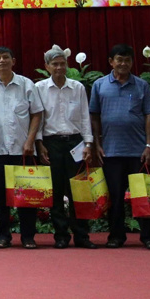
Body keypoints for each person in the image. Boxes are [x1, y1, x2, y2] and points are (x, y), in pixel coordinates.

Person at [89, 44, 150, 249]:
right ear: (111, 62)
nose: (123, 63)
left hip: (138, 152)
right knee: (115, 198)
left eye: (127, 60)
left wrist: (149, 146)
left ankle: (149, 237)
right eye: (119, 59)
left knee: (142, 197)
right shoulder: (100, 85)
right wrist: (97, 144)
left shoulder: (141, 85)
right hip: (110, 151)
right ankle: (116, 236)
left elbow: (148, 115)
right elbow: (94, 116)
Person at [0, 46, 45, 249]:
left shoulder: (26, 84)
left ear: (13, 61)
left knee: (27, 195)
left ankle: (28, 237)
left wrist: (30, 141)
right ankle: (2, 236)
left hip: (23, 149)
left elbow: (37, 114)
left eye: (5, 57)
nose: (2, 61)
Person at [35, 46, 96, 249]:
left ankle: (82, 235)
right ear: (47, 66)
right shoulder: (40, 88)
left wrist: (88, 143)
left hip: (75, 142)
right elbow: (38, 118)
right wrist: (39, 144)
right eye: (55, 64)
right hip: (51, 143)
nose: (59, 67)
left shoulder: (77, 87)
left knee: (78, 190)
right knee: (56, 191)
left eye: (62, 64)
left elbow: (85, 117)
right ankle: (61, 235)